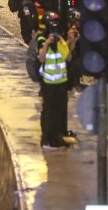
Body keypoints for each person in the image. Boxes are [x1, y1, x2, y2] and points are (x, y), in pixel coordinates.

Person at [36, 11, 78, 150]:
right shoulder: (42, 39)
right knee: (49, 112)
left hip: (61, 83)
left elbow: (68, 57)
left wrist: (69, 42)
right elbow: (41, 58)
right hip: (48, 84)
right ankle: (47, 140)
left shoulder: (60, 41)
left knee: (59, 112)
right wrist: (47, 43)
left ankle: (57, 137)